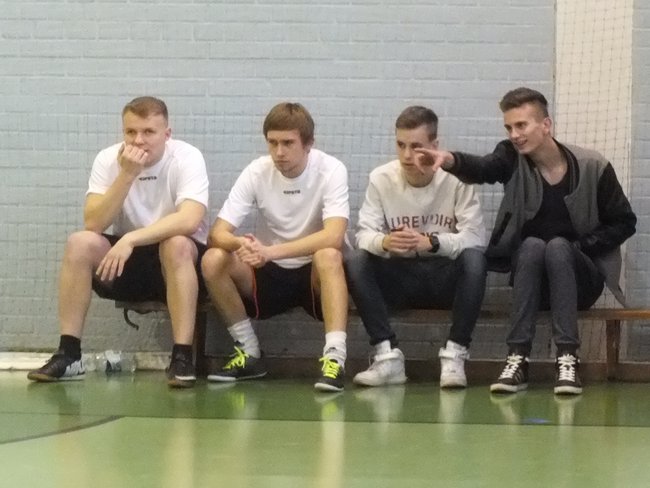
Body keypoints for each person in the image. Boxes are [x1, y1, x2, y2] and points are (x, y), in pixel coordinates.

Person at [415, 87, 636, 395]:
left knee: (557, 246)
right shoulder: (510, 157)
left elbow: (625, 222)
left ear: (546, 125)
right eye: (509, 127)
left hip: (580, 281)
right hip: (532, 281)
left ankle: (567, 358)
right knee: (532, 245)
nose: (515, 135)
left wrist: (580, 247)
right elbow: (485, 168)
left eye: (521, 125)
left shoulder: (592, 165)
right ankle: (517, 358)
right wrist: (450, 160)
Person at [28, 96, 209, 389]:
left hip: (177, 262)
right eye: (131, 132)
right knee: (79, 242)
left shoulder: (187, 157)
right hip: (127, 263)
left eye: (148, 132)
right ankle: (69, 354)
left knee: (176, 244)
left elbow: (189, 219)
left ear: (167, 134)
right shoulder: (108, 159)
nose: (138, 140)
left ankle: (182, 357)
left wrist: (131, 239)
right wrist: (127, 174)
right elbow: (94, 222)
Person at [201, 102, 350, 392]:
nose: (279, 152)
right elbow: (217, 234)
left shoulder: (331, 169)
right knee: (213, 259)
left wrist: (270, 252)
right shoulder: (257, 171)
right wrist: (241, 243)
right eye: (272, 143)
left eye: (288, 143)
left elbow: (333, 235)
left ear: (309, 144)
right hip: (267, 272)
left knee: (329, 255)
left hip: (312, 274)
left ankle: (335, 359)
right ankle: (249, 352)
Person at [345, 106, 488, 388]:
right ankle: (387, 356)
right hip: (400, 278)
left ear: (434, 146)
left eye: (416, 147)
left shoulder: (457, 178)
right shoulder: (381, 178)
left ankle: (455, 355)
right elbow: (363, 235)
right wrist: (385, 242)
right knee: (356, 259)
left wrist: (432, 243)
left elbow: (475, 237)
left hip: (444, 280)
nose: (407, 155)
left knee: (475, 259)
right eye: (401, 145)